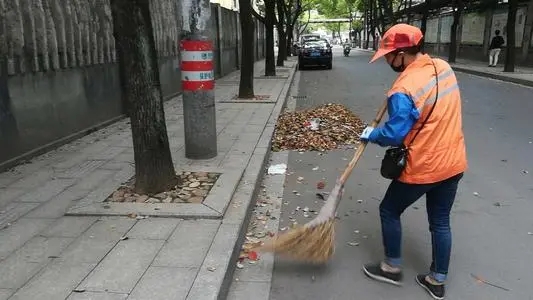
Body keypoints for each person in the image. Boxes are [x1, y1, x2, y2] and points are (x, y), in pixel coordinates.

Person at [359, 23, 468, 300]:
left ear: (403, 53)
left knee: (388, 210)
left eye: (388, 55)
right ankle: (436, 279)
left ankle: (391, 267)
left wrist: (373, 134)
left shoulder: (404, 87)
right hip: (453, 162)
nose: (386, 60)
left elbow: (395, 134)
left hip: (423, 167)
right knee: (440, 221)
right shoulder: (443, 67)